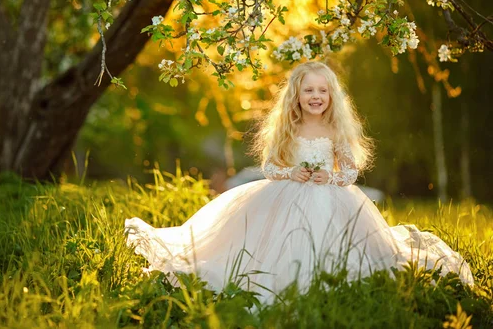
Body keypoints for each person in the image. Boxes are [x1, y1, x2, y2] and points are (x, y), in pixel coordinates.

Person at [124, 61, 474, 305]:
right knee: (273, 243)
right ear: (297, 95)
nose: (316, 96)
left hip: (332, 197)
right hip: (286, 193)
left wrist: (331, 177)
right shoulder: (288, 128)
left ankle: (331, 284)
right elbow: (269, 165)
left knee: (337, 245)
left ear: (332, 96)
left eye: (322, 90)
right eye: (309, 90)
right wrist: (291, 173)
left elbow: (350, 172)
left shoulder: (336, 130)